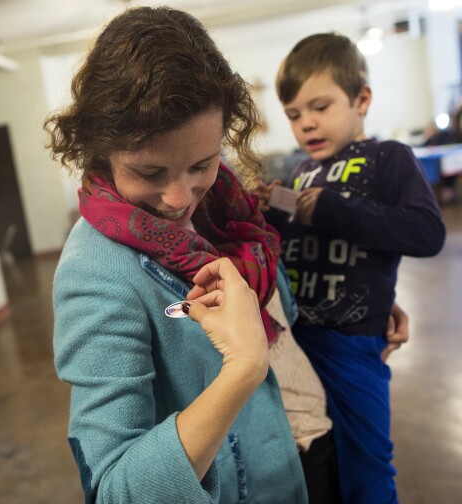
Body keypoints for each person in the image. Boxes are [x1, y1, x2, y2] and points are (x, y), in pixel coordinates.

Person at [45, 7, 308, 502]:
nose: (180, 197)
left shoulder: (230, 209)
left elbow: (284, 316)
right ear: (99, 150)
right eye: (148, 173)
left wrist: (357, 310)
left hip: (304, 452)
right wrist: (242, 371)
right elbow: (115, 489)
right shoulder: (93, 275)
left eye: (201, 165)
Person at [256, 33, 446, 504]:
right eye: (295, 115)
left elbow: (427, 232)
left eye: (320, 107)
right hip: (297, 337)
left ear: (361, 99)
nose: (307, 124)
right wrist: (273, 209)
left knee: (366, 463)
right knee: (315, 457)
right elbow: (301, 237)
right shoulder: (303, 170)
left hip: (352, 343)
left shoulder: (389, 159)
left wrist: (336, 211)